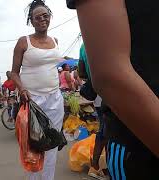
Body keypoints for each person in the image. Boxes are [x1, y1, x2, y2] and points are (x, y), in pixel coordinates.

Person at [67, 0, 159, 179]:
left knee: (101, 131)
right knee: (102, 131)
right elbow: (109, 77)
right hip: (139, 138)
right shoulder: (84, 49)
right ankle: (95, 164)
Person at [10, 0, 64, 179]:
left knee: (52, 143)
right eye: (37, 17)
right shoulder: (23, 42)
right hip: (33, 101)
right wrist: (22, 88)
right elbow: (14, 73)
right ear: (31, 21)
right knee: (33, 145)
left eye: (45, 16)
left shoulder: (55, 41)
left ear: (50, 18)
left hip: (55, 99)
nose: (42, 19)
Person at [78, 44, 106, 178]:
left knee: (104, 129)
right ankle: (98, 166)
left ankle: (96, 165)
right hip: (111, 91)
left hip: (97, 93)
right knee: (110, 131)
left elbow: (81, 73)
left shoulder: (83, 46)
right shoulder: (111, 37)